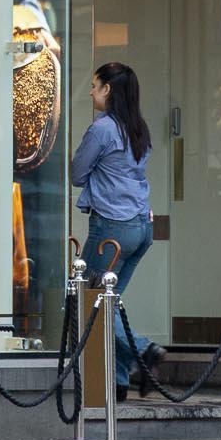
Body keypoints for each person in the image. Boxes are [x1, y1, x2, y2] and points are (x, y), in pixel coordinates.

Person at [69, 61, 161, 395]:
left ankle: (144, 348)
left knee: (91, 302)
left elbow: (77, 173)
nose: (91, 91)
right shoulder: (138, 127)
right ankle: (120, 382)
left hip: (111, 228)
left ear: (108, 89)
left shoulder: (103, 128)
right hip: (141, 226)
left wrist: (95, 176)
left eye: (95, 85)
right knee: (111, 301)